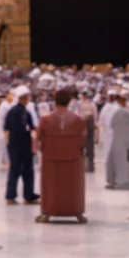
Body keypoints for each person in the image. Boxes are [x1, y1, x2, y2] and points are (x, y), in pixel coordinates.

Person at [37, 88, 87, 219]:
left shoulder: (46, 119)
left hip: (51, 160)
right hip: (73, 160)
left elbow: (39, 137)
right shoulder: (77, 119)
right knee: (72, 187)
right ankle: (76, 212)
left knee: (51, 187)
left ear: (55, 101)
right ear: (70, 101)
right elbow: (83, 140)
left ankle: (48, 212)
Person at [2, 89, 39, 204]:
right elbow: (30, 127)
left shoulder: (12, 111)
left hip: (13, 145)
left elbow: (6, 128)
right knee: (27, 170)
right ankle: (28, 196)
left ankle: (10, 196)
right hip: (23, 144)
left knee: (14, 170)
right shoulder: (23, 112)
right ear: (24, 99)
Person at [73, 91, 99, 173]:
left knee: (86, 144)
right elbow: (95, 114)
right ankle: (88, 165)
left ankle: (87, 165)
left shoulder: (82, 104)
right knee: (87, 143)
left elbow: (77, 113)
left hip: (85, 123)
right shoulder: (88, 104)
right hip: (86, 123)